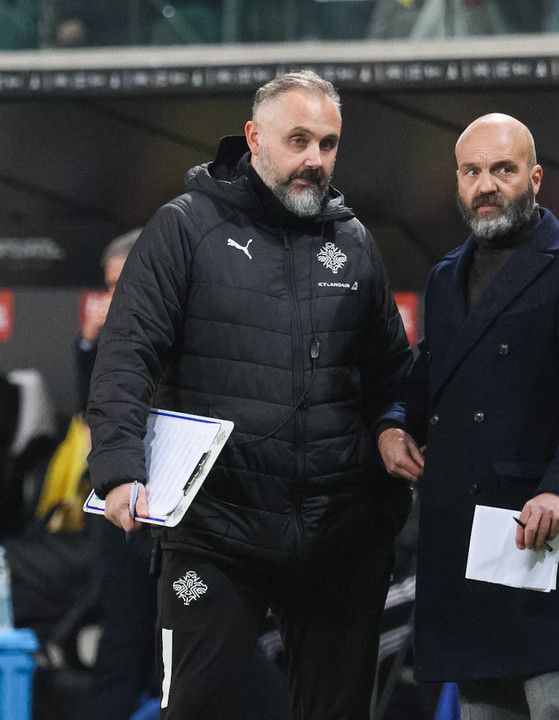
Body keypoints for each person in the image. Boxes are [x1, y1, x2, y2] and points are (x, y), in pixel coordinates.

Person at [86, 70, 414, 720]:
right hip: (216, 534)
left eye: (327, 144)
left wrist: (392, 423)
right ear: (254, 138)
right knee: (197, 706)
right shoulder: (185, 227)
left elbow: (391, 374)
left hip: (338, 534)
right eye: (298, 140)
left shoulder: (352, 244)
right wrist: (119, 467)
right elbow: (126, 352)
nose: (314, 159)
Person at [379, 112, 559, 719]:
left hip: (537, 527)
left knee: (558, 704)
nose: (486, 184)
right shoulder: (445, 277)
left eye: (503, 169)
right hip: (463, 530)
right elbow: (428, 371)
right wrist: (393, 423)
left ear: (535, 178)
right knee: (483, 708)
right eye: (471, 172)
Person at [75, 229, 160, 720]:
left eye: (120, 284)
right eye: (107, 286)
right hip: (122, 517)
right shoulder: (109, 338)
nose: (113, 297)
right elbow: (94, 417)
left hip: (176, 514)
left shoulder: (179, 326)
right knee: (122, 642)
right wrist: (89, 346)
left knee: (187, 650)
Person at [75, 229, 139, 413]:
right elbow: (90, 405)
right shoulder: (107, 331)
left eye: (123, 284)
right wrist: (90, 340)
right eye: (111, 285)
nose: (114, 295)